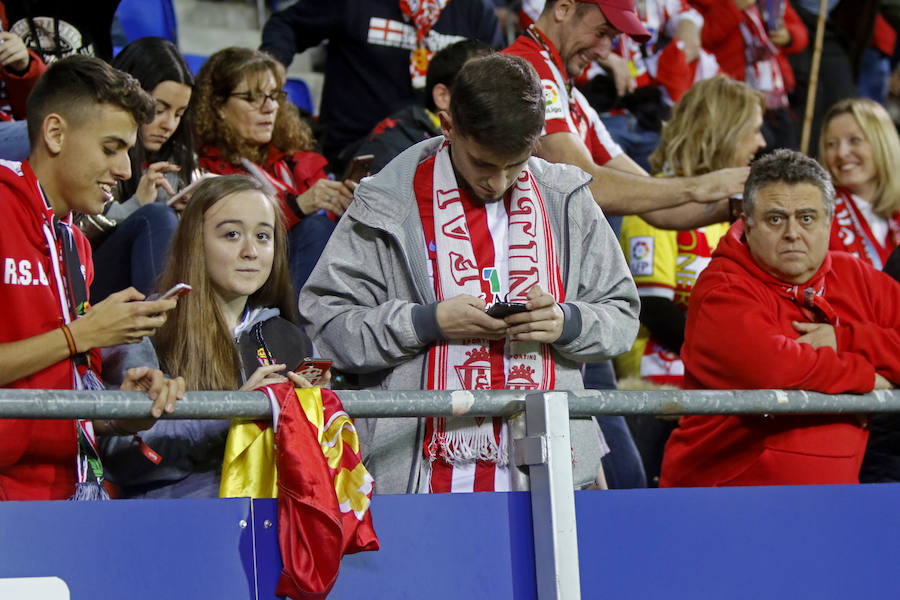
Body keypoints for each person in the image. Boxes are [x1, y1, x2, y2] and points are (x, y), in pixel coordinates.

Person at [300, 54, 640, 494]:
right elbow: (324, 327)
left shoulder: (568, 198)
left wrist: (565, 321)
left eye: (515, 164)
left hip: (549, 475)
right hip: (416, 474)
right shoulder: (384, 202)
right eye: (483, 163)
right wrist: (427, 323)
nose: (497, 182)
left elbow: (622, 316)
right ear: (448, 126)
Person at [0, 55, 184, 501]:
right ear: (55, 133)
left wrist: (119, 412)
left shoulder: (77, 244)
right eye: (110, 148)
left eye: (128, 152)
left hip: (70, 496)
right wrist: (80, 334)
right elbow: (68, 342)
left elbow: (50, 400)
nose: (125, 171)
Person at [660, 149, 900, 488]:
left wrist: (845, 340)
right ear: (748, 221)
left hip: (832, 506)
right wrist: (874, 379)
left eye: (806, 218)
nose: (792, 233)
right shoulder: (723, 287)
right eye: (775, 218)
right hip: (721, 503)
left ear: (828, 222)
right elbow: (777, 369)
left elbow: (801, 366)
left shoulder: (858, 278)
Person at [102, 175, 318, 498]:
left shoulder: (293, 338)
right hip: (178, 530)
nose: (251, 251)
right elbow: (119, 455)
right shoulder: (145, 325)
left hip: (272, 530)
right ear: (195, 241)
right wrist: (231, 415)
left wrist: (318, 414)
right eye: (232, 234)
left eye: (263, 236)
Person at [616, 75, 765, 485]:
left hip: (718, 388)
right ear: (724, 132)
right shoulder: (659, 204)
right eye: (753, 130)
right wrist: (736, 355)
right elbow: (655, 308)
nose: (760, 142)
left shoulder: (731, 214)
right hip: (660, 394)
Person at [503, 0, 748, 232]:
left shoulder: (571, 95)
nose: (603, 52)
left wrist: (738, 205)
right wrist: (702, 185)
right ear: (564, 8)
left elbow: (659, 210)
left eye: (612, 39)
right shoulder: (527, 69)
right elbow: (583, 185)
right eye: (601, 33)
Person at [259, 0, 504, 167]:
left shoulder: (476, 10)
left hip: (444, 148)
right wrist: (273, 65)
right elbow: (287, 24)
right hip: (358, 150)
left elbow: (501, 78)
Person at [192, 47, 355, 295]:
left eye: (273, 96)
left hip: (306, 276)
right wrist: (298, 206)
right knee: (314, 228)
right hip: (246, 282)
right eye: (252, 98)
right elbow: (232, 235)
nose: (269, 108)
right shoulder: (208, 168)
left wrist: (345, 205)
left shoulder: (294, 158)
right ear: (219, 107)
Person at [89, 37, 194, 302]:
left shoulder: (179, 158)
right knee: (154, 216)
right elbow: (76, 233)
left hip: (145, 285)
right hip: (91, 281)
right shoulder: (92, 144)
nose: (169, 124)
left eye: (179, 114)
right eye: (159, 110)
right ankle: (168, 333)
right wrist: (137, 205)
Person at [354, 39, 492, 175]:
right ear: (443, 96)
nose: (495, 96)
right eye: (482, 86)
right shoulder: (394, 143)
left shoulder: (495, 141)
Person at [689, 0, 807, 150]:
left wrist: (788, 36)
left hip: (774, 98)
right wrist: (733, 7)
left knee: (786, 151)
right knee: (751, 152)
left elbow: (800, 33)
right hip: (733, 98)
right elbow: (702, 37)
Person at [819, 98, 900, 271]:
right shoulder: (819, 213)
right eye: (831, 144)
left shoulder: (896, 212)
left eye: (854, 140)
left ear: (882, 143)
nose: (842, 153)